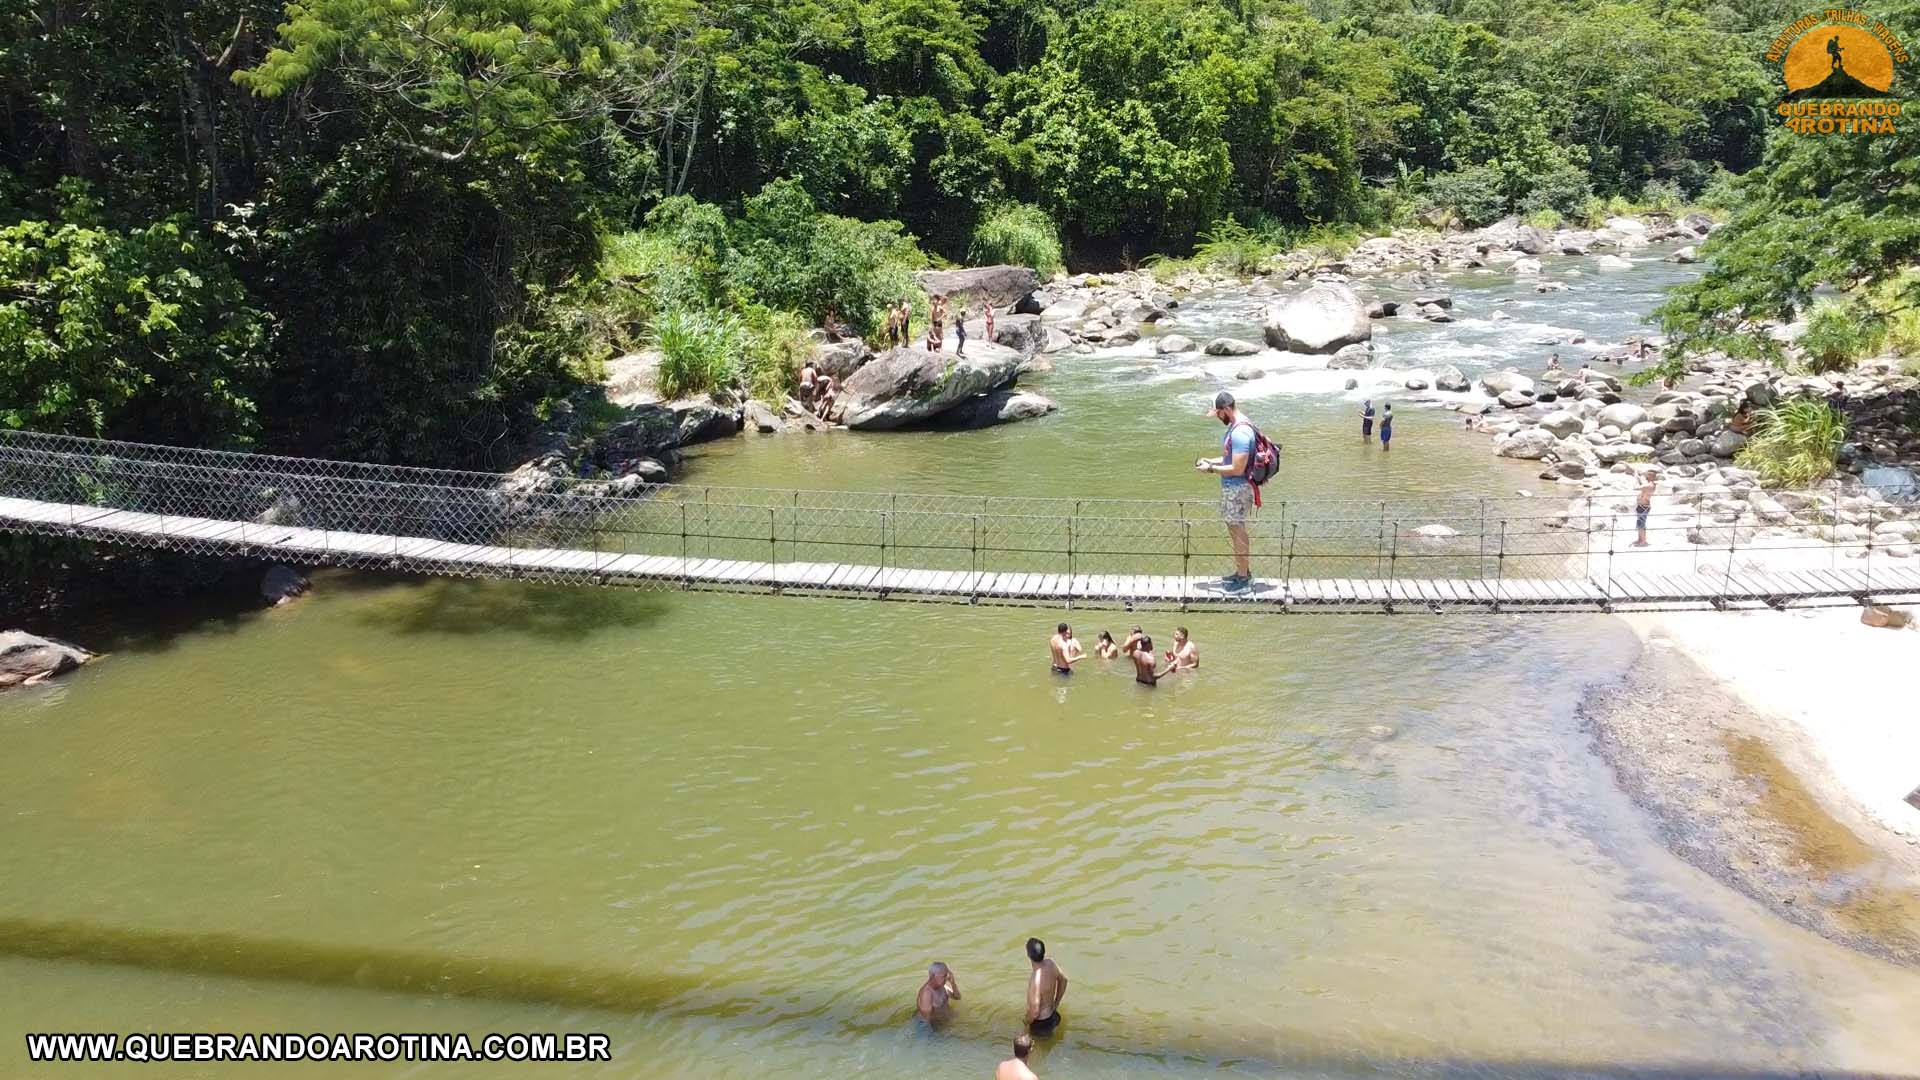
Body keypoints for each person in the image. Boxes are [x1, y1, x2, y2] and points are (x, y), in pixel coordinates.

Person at [1196, 391, 1256, 591]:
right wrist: (1210, 460)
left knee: (1237, 530)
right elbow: (1233, 459)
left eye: (1219, 413)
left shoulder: (1240, 432)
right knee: (1235, 529)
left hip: (1237, 488)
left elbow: (1238, 468)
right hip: (1235, 488)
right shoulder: (1238, 426)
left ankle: (1243, 579)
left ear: (1227, 409)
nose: (1218, 417)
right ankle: (1241, 573)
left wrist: (1210, 469)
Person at [1024, 938, 1068, 1034]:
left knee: (1037, 1044)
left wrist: (1026, 1022)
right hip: (1054, 1016)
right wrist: (1056, 1003)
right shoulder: (1051, 964)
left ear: (1028, 955)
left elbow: (1035, 1012)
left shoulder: (1035, 980)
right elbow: (1064, 980)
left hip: (1041, 1024)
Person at [1633, 472, 1655, 547]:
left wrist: (1635, 480)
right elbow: (1642, 485)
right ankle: (1640, 539)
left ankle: (1643, 541)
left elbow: (1635, 487)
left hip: (1644, 507)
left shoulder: (1649, 485)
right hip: (1641, 506)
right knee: (1640, 524)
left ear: (1652, 477)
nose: (1646, 476)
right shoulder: (1648, 484)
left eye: (1648, 475)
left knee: (1642, 524)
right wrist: (1638, 478)